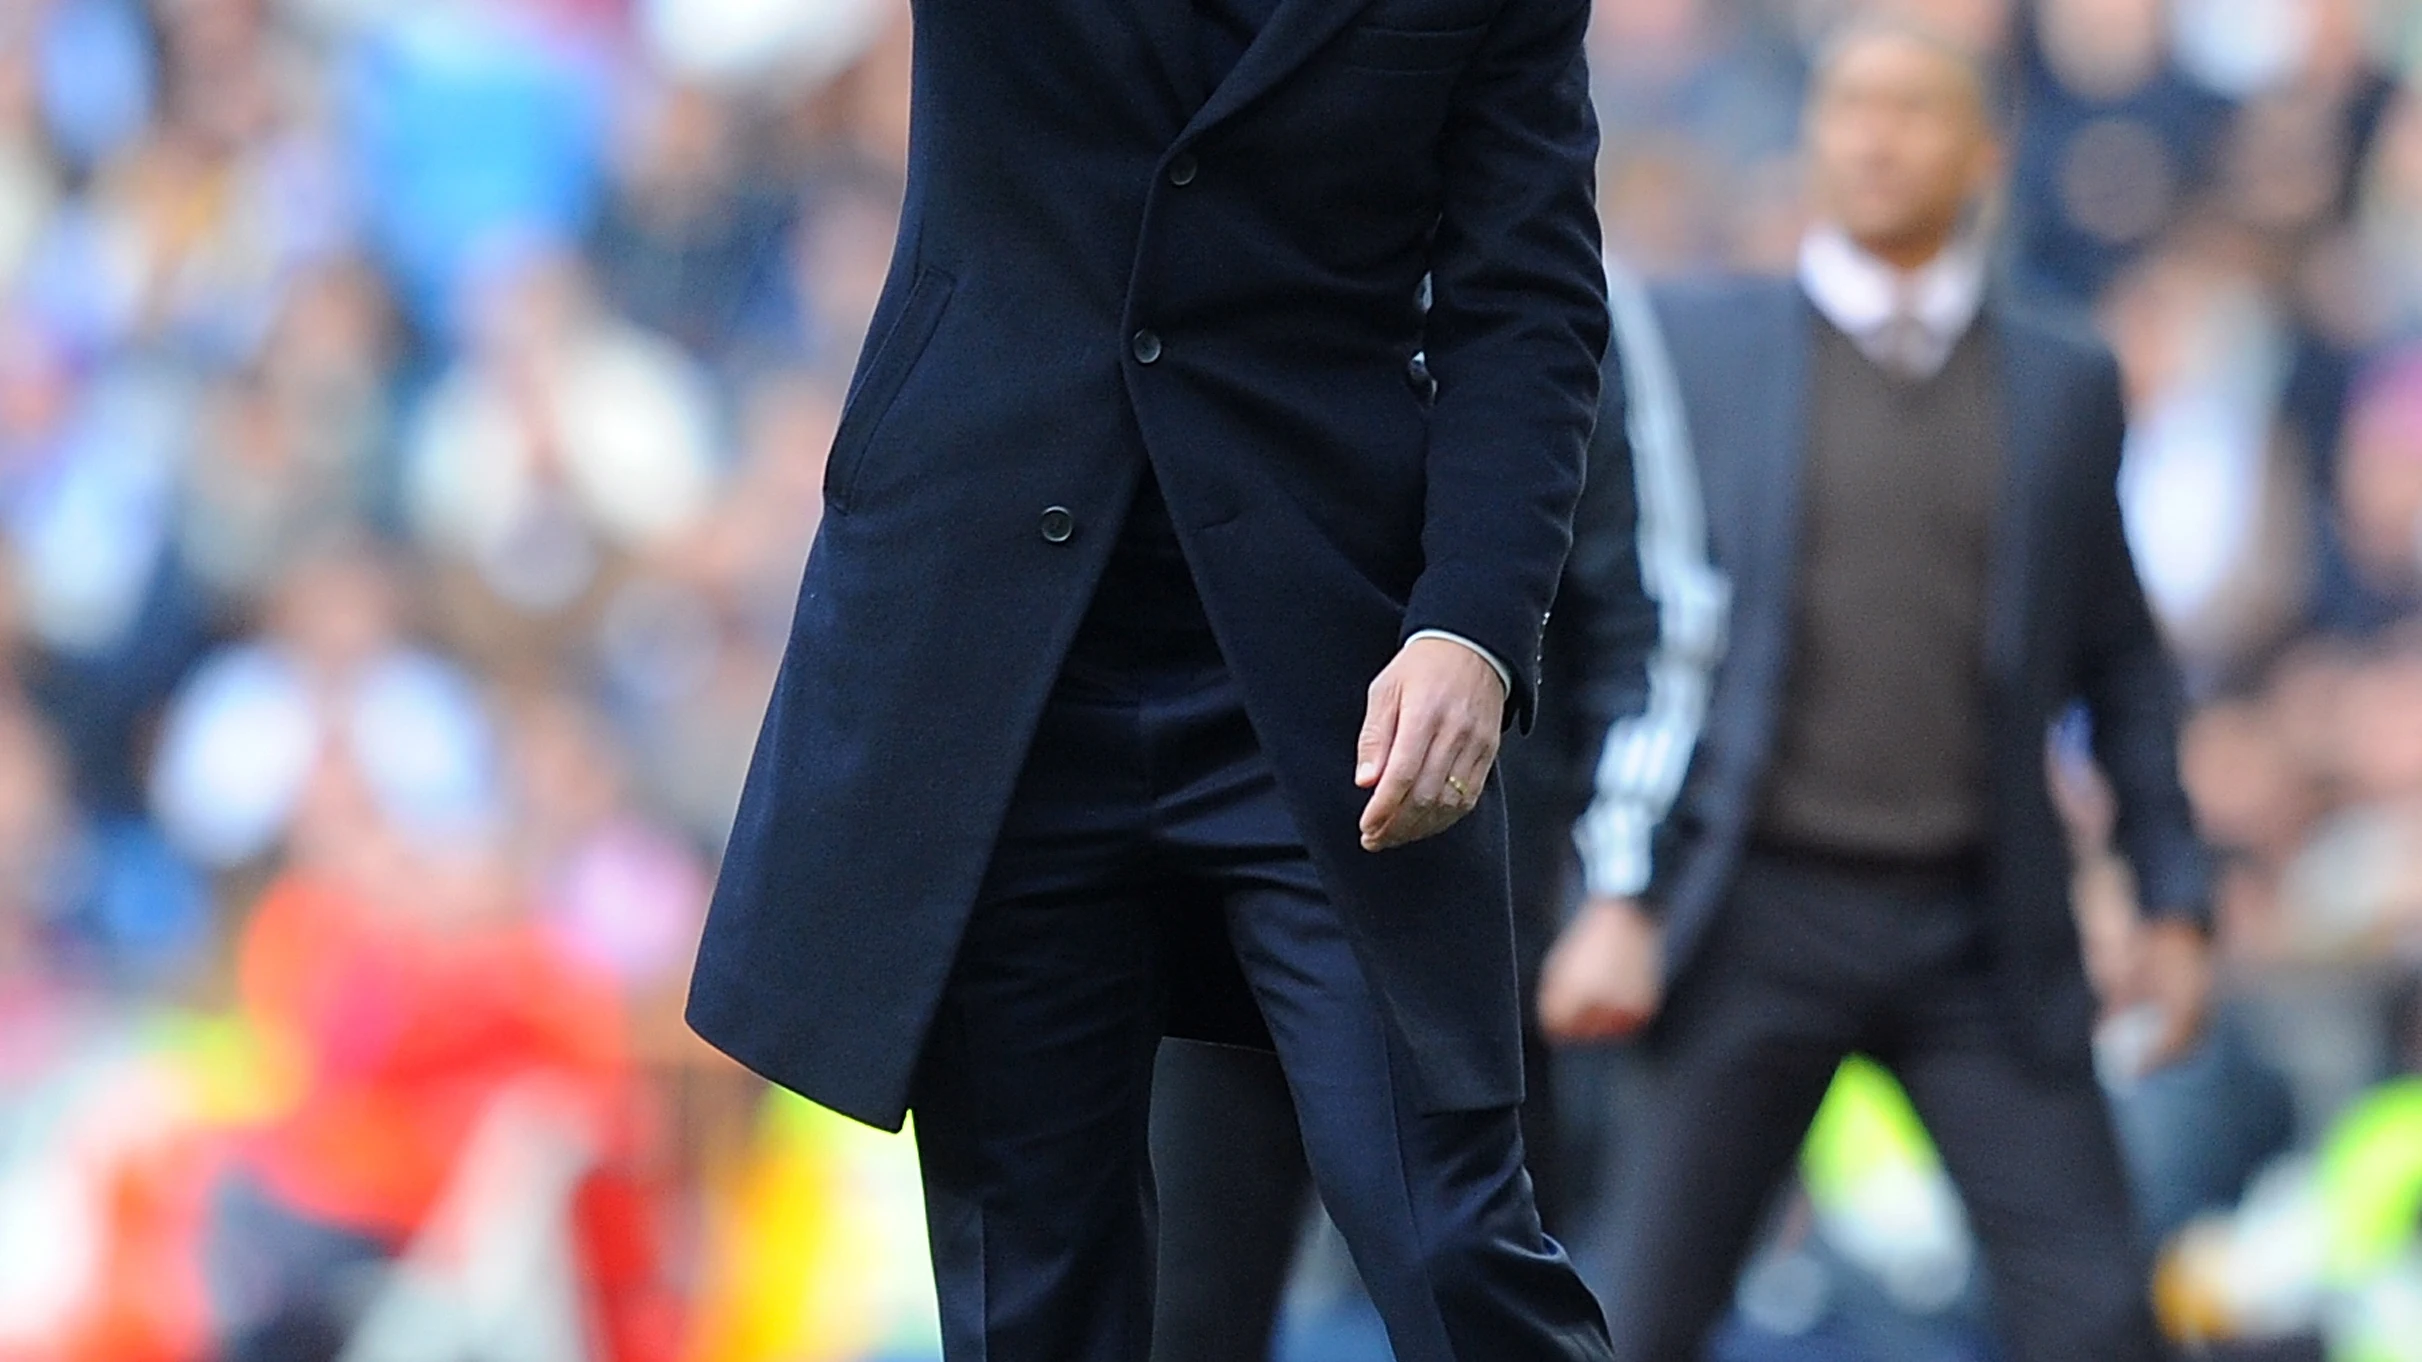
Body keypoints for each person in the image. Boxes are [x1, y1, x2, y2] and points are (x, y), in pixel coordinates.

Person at [683, 0, 1618, 1357]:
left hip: (1331, 675)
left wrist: (1470, 626)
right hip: (1001, 664)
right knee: (1033, 1289)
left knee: (1451, 1239)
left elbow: (1525, 299)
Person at [1535, 20, 2215, 1362]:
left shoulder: (2062, 380)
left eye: (1910, 107)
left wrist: (2172, 895)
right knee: (1629, 1313)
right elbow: (1606, 628)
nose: (1871, 135)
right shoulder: (1689, 347)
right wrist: (1607, 895)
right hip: (1747, 913)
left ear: (1985, 151)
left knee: (2094, 1315)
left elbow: (2118, 658)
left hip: (1977, 920)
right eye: (1846, 106)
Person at [1145, 258, 1686, 1362]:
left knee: (1471, 1288)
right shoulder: (1206, 258)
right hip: (1212, 906)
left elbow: (1644, 619)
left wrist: (1618, 887)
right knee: (1184, 1318)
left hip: (1461, 929)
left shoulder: (1549, 300)